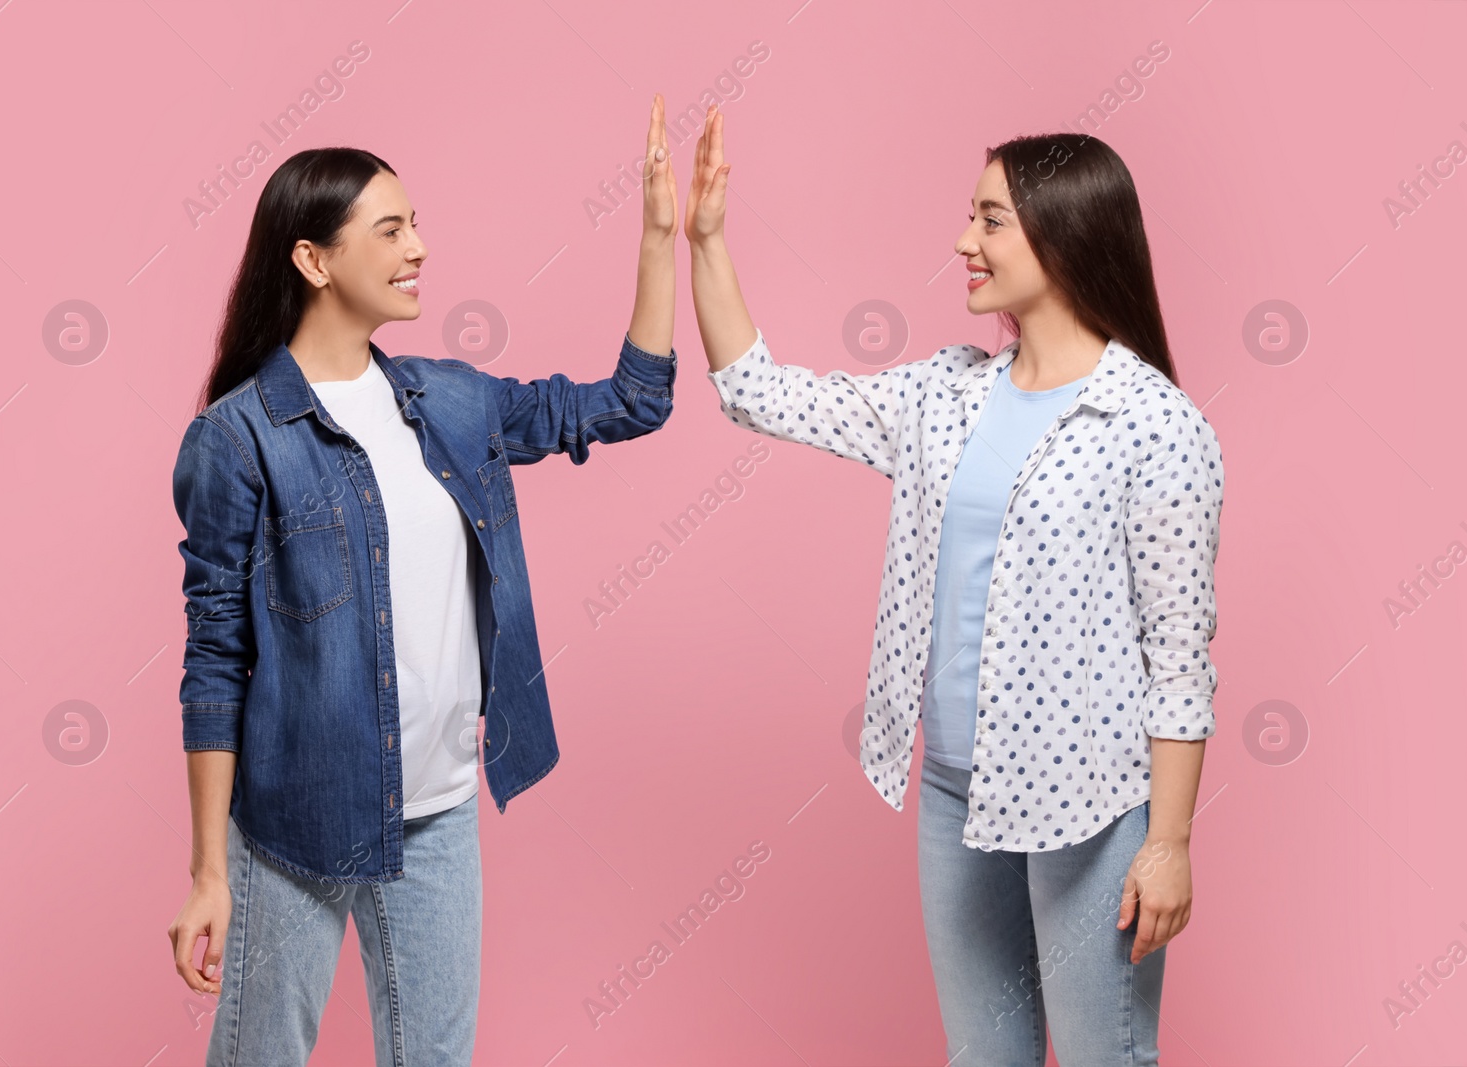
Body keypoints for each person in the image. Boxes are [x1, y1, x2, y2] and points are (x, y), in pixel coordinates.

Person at [684, 104, 1224, 1065]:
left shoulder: (1154, 424)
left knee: (1107, 1053)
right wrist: (708, 241)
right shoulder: (945, 393)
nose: (961, 242)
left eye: (987, 220)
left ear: (1062, 233)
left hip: (1090, 804)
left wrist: (1169, 841)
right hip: (950, 788)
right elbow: (758, 392)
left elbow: (1179, 659)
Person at [164, 95, 681, 1065]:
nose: (420, 248)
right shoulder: (234, 439)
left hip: (438, 807)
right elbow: (214, 659)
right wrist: (206, 870)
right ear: (314, 260)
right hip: (292, 821)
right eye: (391, 229)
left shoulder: (450, 400)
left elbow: (628, 404)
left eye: (417, 225)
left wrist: (657, 239)